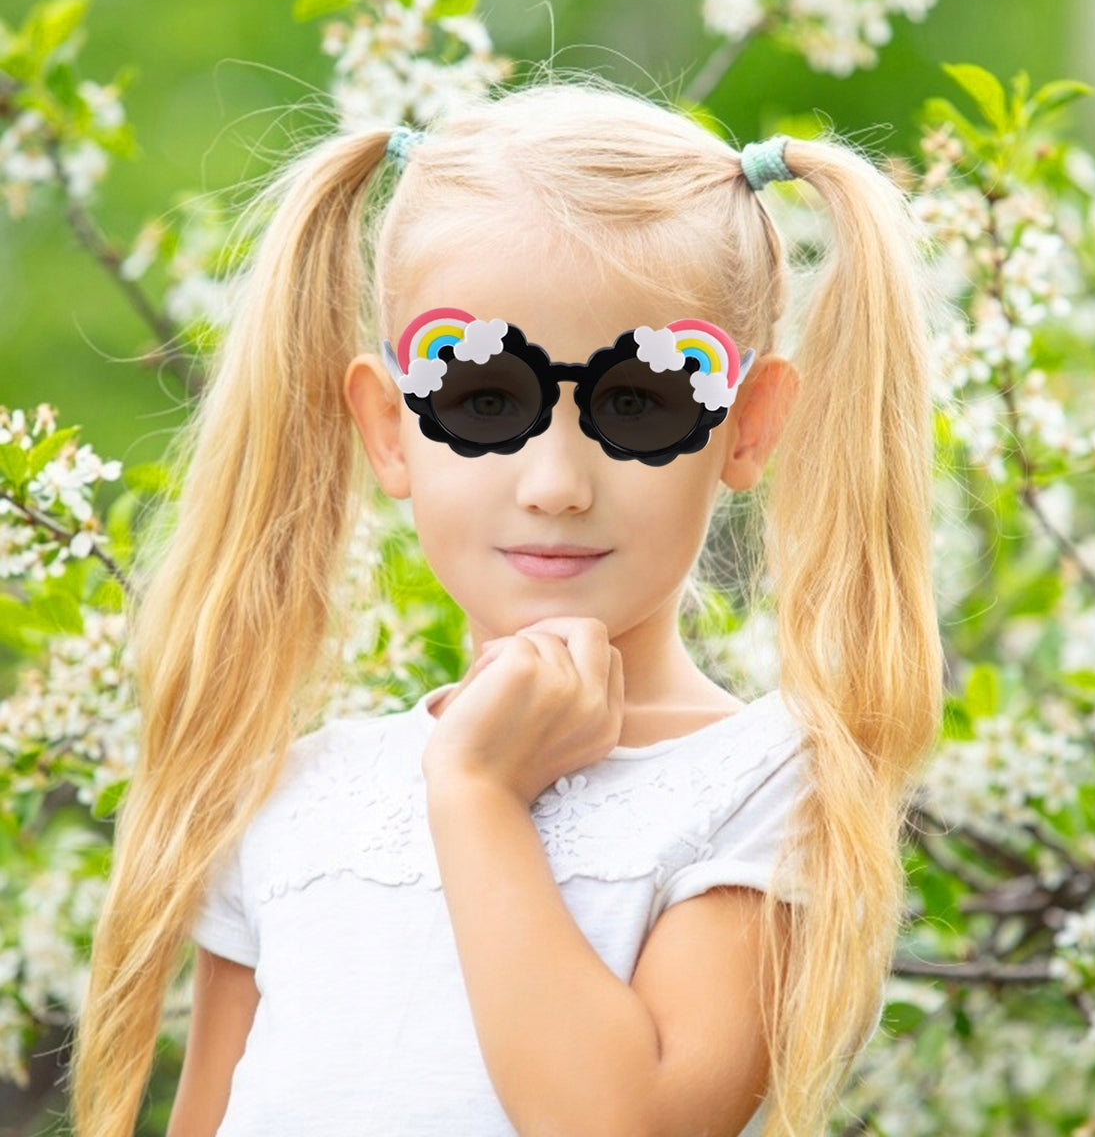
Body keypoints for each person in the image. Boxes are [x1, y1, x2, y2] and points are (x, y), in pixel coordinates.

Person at [66, 74, 945, 1137]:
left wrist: (478, 796)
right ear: (389, 427)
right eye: (484, 398)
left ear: (747, 426)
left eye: (639, 401)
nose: (556, 482)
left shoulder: (766, 788)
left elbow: (630, 1126)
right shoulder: (293, 796)